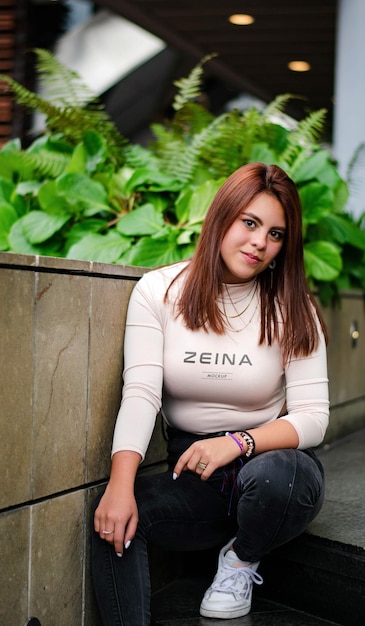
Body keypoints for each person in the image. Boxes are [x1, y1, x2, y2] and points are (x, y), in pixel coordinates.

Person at [91, 162, 329, 624]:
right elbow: (140, 392)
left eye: (276, 233)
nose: (260, 242)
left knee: (284, 475)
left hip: (268, 471)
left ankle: (240, 560)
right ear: (222, 217)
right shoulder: (159, 292)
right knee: (114, 520)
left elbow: (314, 418)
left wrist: (237, 442)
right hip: (194, 478)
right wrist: (120, 485)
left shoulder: (293, 310)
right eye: (250, 222)